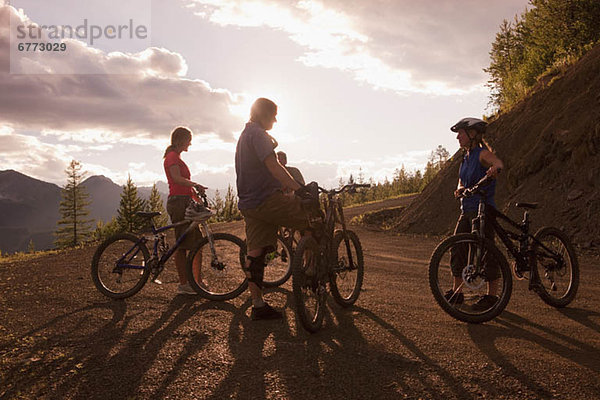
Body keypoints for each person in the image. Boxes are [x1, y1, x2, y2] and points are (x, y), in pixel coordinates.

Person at [235, 98, 311, 320]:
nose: (276, 119)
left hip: (249, 204)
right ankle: (310, 271)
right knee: (311, 217)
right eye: (274, 115)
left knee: (255, 253)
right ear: (263, 114)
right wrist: (298, 190)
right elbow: (274, 166)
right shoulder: (258, 135)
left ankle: (257, 305)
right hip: (267, 200)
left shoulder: (244, 135)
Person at [448, 117, 504, 311]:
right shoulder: (465, 157)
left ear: (472, 135)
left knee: (487, 249)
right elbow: (461, 180)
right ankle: (457, 292)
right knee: (457, 247)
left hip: (483, 207)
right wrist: (460, 189)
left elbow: (497, 163)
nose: (457, 137)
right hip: (466, 209)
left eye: (460, 133)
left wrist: (494, 171)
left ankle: (491, 296)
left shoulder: (482, 153)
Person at [163, 126, 212, 295]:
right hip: (178, 203)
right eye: (188, 139)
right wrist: (195, 184)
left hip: (185, 201)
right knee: (182, 244)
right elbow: (177, 179)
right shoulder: (172, 157)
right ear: (180, 140)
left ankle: (195, 281)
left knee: (197, 242)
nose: (190, 143)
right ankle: (185, 284)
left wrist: (197, 199)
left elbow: (182, 184)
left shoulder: (176, 157)